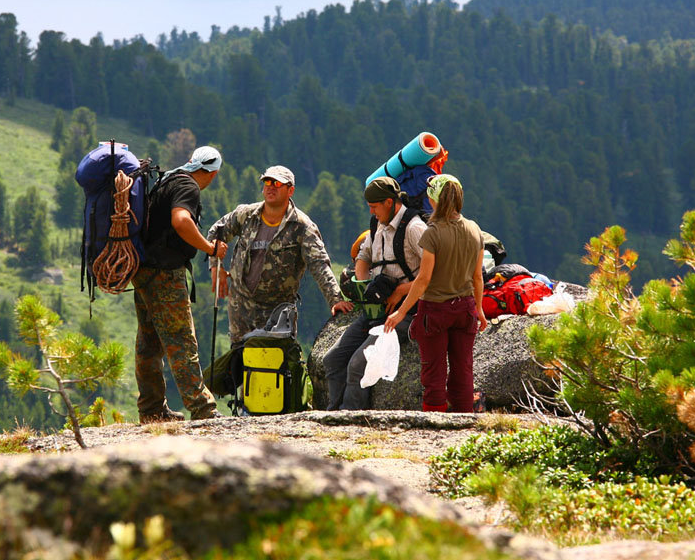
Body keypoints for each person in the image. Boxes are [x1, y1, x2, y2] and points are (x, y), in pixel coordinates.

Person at [133, 145, 229, 423]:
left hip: (143, 271)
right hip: (165, 274)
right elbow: (181, 220)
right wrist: (210, 248)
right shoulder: (189, 187)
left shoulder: (169, 180)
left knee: (149, 342)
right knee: (181, 340)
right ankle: (203, 408)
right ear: (212, 173)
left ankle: (151, 410)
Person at [207, 165, 353, 344]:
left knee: (276, 366)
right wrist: (216, 266)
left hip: (278, 313)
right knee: (239, 364)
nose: (270, 186)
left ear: (290, 190)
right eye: (267, 181)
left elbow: (319, 264)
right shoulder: (246, 215)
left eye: (277, 183)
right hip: (240, 308)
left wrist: (335, 299)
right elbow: (217, 232)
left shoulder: (302, 226)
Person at [384, 174, 488, 412]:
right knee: (463, 370)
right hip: (466, 308)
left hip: (435, 311)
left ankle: (435, 424)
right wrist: (479, 309)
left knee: (434, 372)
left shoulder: (432, 233)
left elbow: (424, 279)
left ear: (433, 200)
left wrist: (401, 313)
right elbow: (477, 277)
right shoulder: (474, 230)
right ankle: (464, 425)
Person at [322, 176, 426, 410]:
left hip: (405, 312)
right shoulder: (377, 225)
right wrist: (363, 285)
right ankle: (333, 414)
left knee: (359, 363)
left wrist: (400, 291)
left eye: (374, 206)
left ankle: (351, 418)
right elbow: (363, 257)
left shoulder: (415, 228)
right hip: (376, 310)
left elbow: (435, 274)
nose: (371, 211)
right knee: (333, 359)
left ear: (389, 202)